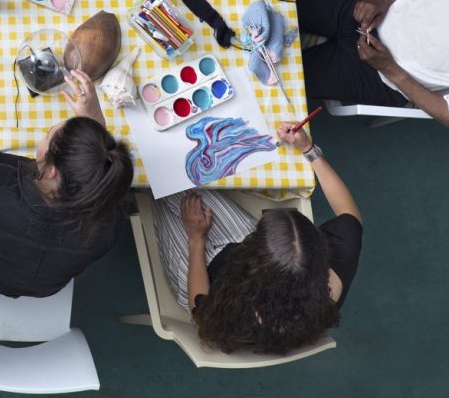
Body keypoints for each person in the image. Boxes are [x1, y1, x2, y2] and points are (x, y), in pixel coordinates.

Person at [154, 122, 362, 355]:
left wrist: (196, 238)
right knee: (177, 180)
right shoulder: (332, 283)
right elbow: (349, 215)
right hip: (232, 257)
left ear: (255, 257)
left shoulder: (238, 315)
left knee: (162, 181)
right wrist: (309, 150)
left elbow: (199, 315)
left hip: (203, 281)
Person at [0, 68, 134, 298]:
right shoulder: (109, 226)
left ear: (51, 171)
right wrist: (95, 127)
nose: (42, 139)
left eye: (48, 135)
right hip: (44, 289)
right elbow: (102, 184)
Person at [300, 0, 449, 128]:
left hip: (381, 75)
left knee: (273, 80)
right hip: (376, 3)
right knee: (276, 2)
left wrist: (389, 69)